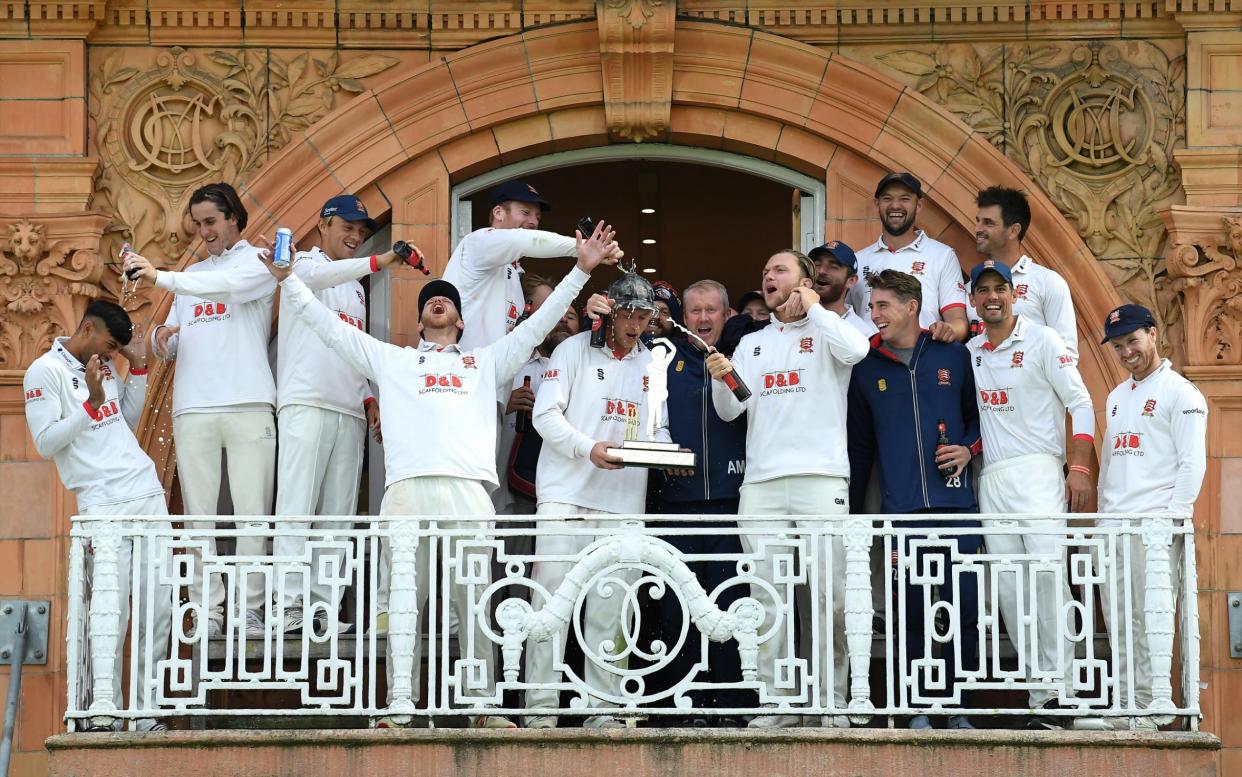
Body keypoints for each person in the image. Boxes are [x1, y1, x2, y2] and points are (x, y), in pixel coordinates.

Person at [261, 219, 620, 729]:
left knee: (475, 604)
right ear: (421, 316)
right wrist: (287, 280)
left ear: (460, 319)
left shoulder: (485, 362)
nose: (438, 300)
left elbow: (540, 325)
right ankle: (400, 709)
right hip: (406, 493)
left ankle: (480, 708)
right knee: (404, 601)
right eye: (430, 297)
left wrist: (582, 270)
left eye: (447, 298)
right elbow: (327, 326)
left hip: (469, 493)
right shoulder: (393, 361)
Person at [706, 249, 871, 728]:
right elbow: (731, 410)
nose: (767, 276)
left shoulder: (827, 328)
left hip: (820, 478)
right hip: (762, 482)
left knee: (830, 594)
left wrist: (816, 308)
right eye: (764, 271)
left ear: (804, 282)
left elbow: (858, 351)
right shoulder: (754, 343)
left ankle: (831, 700)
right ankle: (778, 701)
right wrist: (721, 381)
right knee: (767, 595)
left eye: (778, 270)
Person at [124, 182, 276, 637]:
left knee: (253, 513)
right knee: (199, 517)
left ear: (234, 218)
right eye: (198, 224)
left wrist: (161, 276)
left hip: (249, 401)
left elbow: (226, 285)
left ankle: (249, 608)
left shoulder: (257, 262)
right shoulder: (191, 279)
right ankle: (208, 608)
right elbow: (169, 337)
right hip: (194, 405)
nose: (204, 232)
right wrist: (159, 341)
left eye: (211, 222)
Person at [523, 270, 674, 730]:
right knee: (550, 608)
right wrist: (586, 448)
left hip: (623, 501)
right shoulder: (571, 351)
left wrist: (666, 453)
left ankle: (605, 709)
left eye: (644, 315)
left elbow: (656, 427)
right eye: (627, 312)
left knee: (612, 610)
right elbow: (544, 416)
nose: (635, 323)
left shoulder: (652, 363)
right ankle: (540, 710)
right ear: (609, 309)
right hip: (565, 496)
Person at [24, 301, 172, 731]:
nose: (109, 355)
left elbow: (121, 419)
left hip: (145, 491)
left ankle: (146, 716)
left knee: (157, 609)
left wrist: (137, 368)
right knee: (110, 613)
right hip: (103, 504)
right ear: (87, 327)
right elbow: (46, 442)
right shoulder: (43, 372)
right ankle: (102, 713)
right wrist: (89, 402)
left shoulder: (101, 364)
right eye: (108, 346)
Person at [846, 270, 982, 730]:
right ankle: (919, 707)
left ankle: (959, 704)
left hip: (958, 508)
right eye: (872, 305)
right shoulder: (865, 367)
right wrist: (852, 514)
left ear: (911, 306)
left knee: (962, 607)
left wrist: (967, 449)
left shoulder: (953, 355)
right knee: (911, 611)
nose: (874, 313)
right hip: (902, 512)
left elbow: (979, 419)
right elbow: (860, 446)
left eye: (883, 305)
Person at [271, 195, 410, 634]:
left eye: (361, 232)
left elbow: (356, 353)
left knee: (338, 515)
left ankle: (323, 607)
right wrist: (380, 260)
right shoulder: (303, 264)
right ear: (323, 224)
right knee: (297, 507)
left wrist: (369, 397)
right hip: (305, 401)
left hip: (347, 409)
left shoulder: (353, 289)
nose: (354, 237)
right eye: (347, 228)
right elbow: (319, 273)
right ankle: (288, 603)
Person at [967, 258, 1095, 730]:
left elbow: (1080, 403)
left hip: (1041, 471)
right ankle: (1042, 697)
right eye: (983, 291)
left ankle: (1066, 691)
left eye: (1000, 288)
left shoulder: (1042, 339)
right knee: (1008, 587)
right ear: (973, 299)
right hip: (993, 476)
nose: (992, 297)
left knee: (1047, 578)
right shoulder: (972, 350)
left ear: (1015, 294)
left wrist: (1078, 468)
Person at [1096, 304, 1207, 729]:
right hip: (1116, 528)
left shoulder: (1182, 393)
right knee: (1121, 620)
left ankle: (1154, 708)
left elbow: (1192, 465)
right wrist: (1103, 523)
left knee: (1151, 619)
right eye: (1119, 345)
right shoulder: (1117, 396)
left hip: (1155, 527)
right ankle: (1127, 704)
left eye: (1132, 341)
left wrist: (1171, 521)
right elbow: (1109, 466)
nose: (1126, 352)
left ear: (1153, 334)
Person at [647, 279, 752, 725]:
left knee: (730, 603)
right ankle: (680, 704)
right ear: (682, 317)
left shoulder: (742, 358)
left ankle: (730, 703)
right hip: (676, 503)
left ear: (727, 315)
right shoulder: (660, 359)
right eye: (696, 311)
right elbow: (648, 419)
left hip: (732, 502)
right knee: (676, 606)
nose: (704, 319)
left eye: (712, 310)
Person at [442, 180, 621, 351]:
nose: (534, 222)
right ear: (498, 213)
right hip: (456, 375)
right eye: (525, 213)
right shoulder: (477, 242)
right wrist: (586, 248)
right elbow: (523, 240)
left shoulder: (515, 273)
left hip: (488, 378)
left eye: (537, 216)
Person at [851, 173, 968, 343]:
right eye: (887, 198)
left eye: (904, 199)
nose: (895, 205)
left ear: (919, 205)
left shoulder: (942, 255)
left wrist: (946, 330)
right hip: (870, 360)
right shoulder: (858, 260)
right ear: (877, 204)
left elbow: (958, 321)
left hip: (923, 356)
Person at [973, 186, 1077, 358]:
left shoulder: (1047, 281)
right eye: (977, 221)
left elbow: (1066, 355)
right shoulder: (972, 287)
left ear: (1014, 230)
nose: (977, 228)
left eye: (988, 223)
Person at [809, 240, 877, 338]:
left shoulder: (862, 333)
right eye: (817, 264)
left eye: (833, 267)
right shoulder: (794, 319)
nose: (822, 271)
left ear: (851, 281)